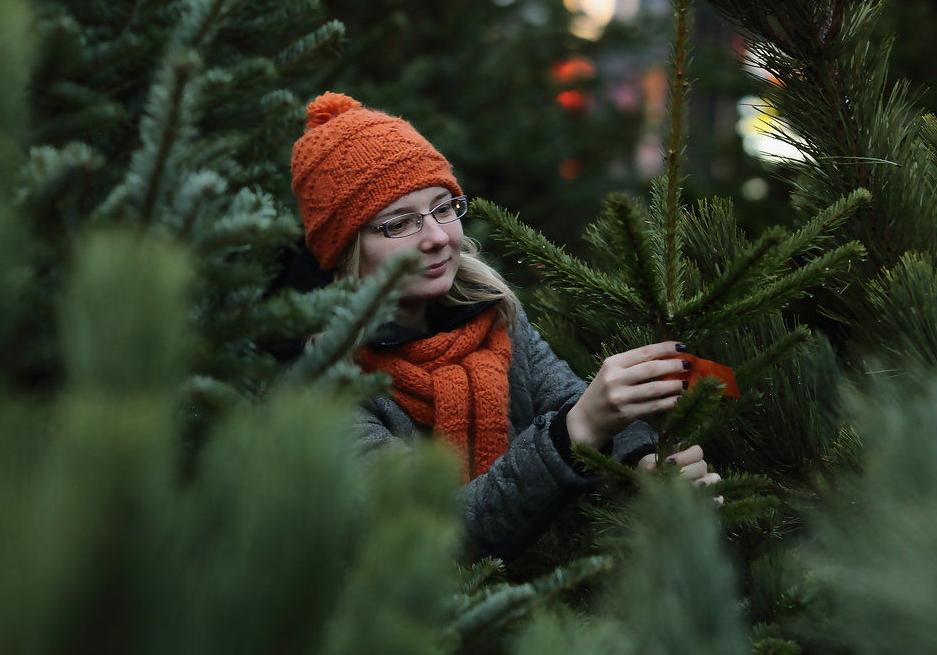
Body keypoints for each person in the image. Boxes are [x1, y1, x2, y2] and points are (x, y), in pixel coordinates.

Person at [290, 92, 720, 562]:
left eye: (442, 207)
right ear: (345, 249)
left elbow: (567, 397)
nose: (436, 237)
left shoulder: (493, 316)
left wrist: (645, 463)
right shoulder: (325, 387)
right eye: (399, 224)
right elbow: (431, 536)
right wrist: (574, 430)